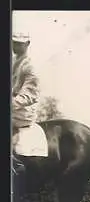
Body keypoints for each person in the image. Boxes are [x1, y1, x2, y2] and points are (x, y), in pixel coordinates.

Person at [11, 31, 40, 174]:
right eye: (14, 42)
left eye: (19, 43)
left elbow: (30, 95)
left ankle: (14, 165)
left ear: (27, 44)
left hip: (23, 111)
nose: (15, 46)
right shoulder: (14, 61)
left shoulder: (30, 66)